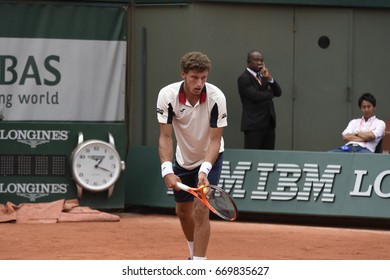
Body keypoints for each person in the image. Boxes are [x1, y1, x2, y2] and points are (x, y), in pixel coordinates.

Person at [157, 51, 228, 260]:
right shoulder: (167, 96)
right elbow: (165, 137)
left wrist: (205, 169)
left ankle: (199, 263)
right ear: (183, 74)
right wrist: (167, 170)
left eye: (203, 78)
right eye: (194, 77)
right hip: (183, 159)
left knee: (200, 209)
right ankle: (192, 255)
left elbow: (215, 140)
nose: (199, 83)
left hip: (210, 158)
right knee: (183, 212)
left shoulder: (217, 98)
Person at [237, 50, 282, 149]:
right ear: (248, 61)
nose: (260, 63)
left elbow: (278, 92)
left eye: (261, 60)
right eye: (256, 60)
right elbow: (256, 96)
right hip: (254, 124)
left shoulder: (263, 76)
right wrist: (270, 92)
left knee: (268, 158)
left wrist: (269, 78)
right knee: (252, 157)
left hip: (269, 124)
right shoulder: (244, 78)